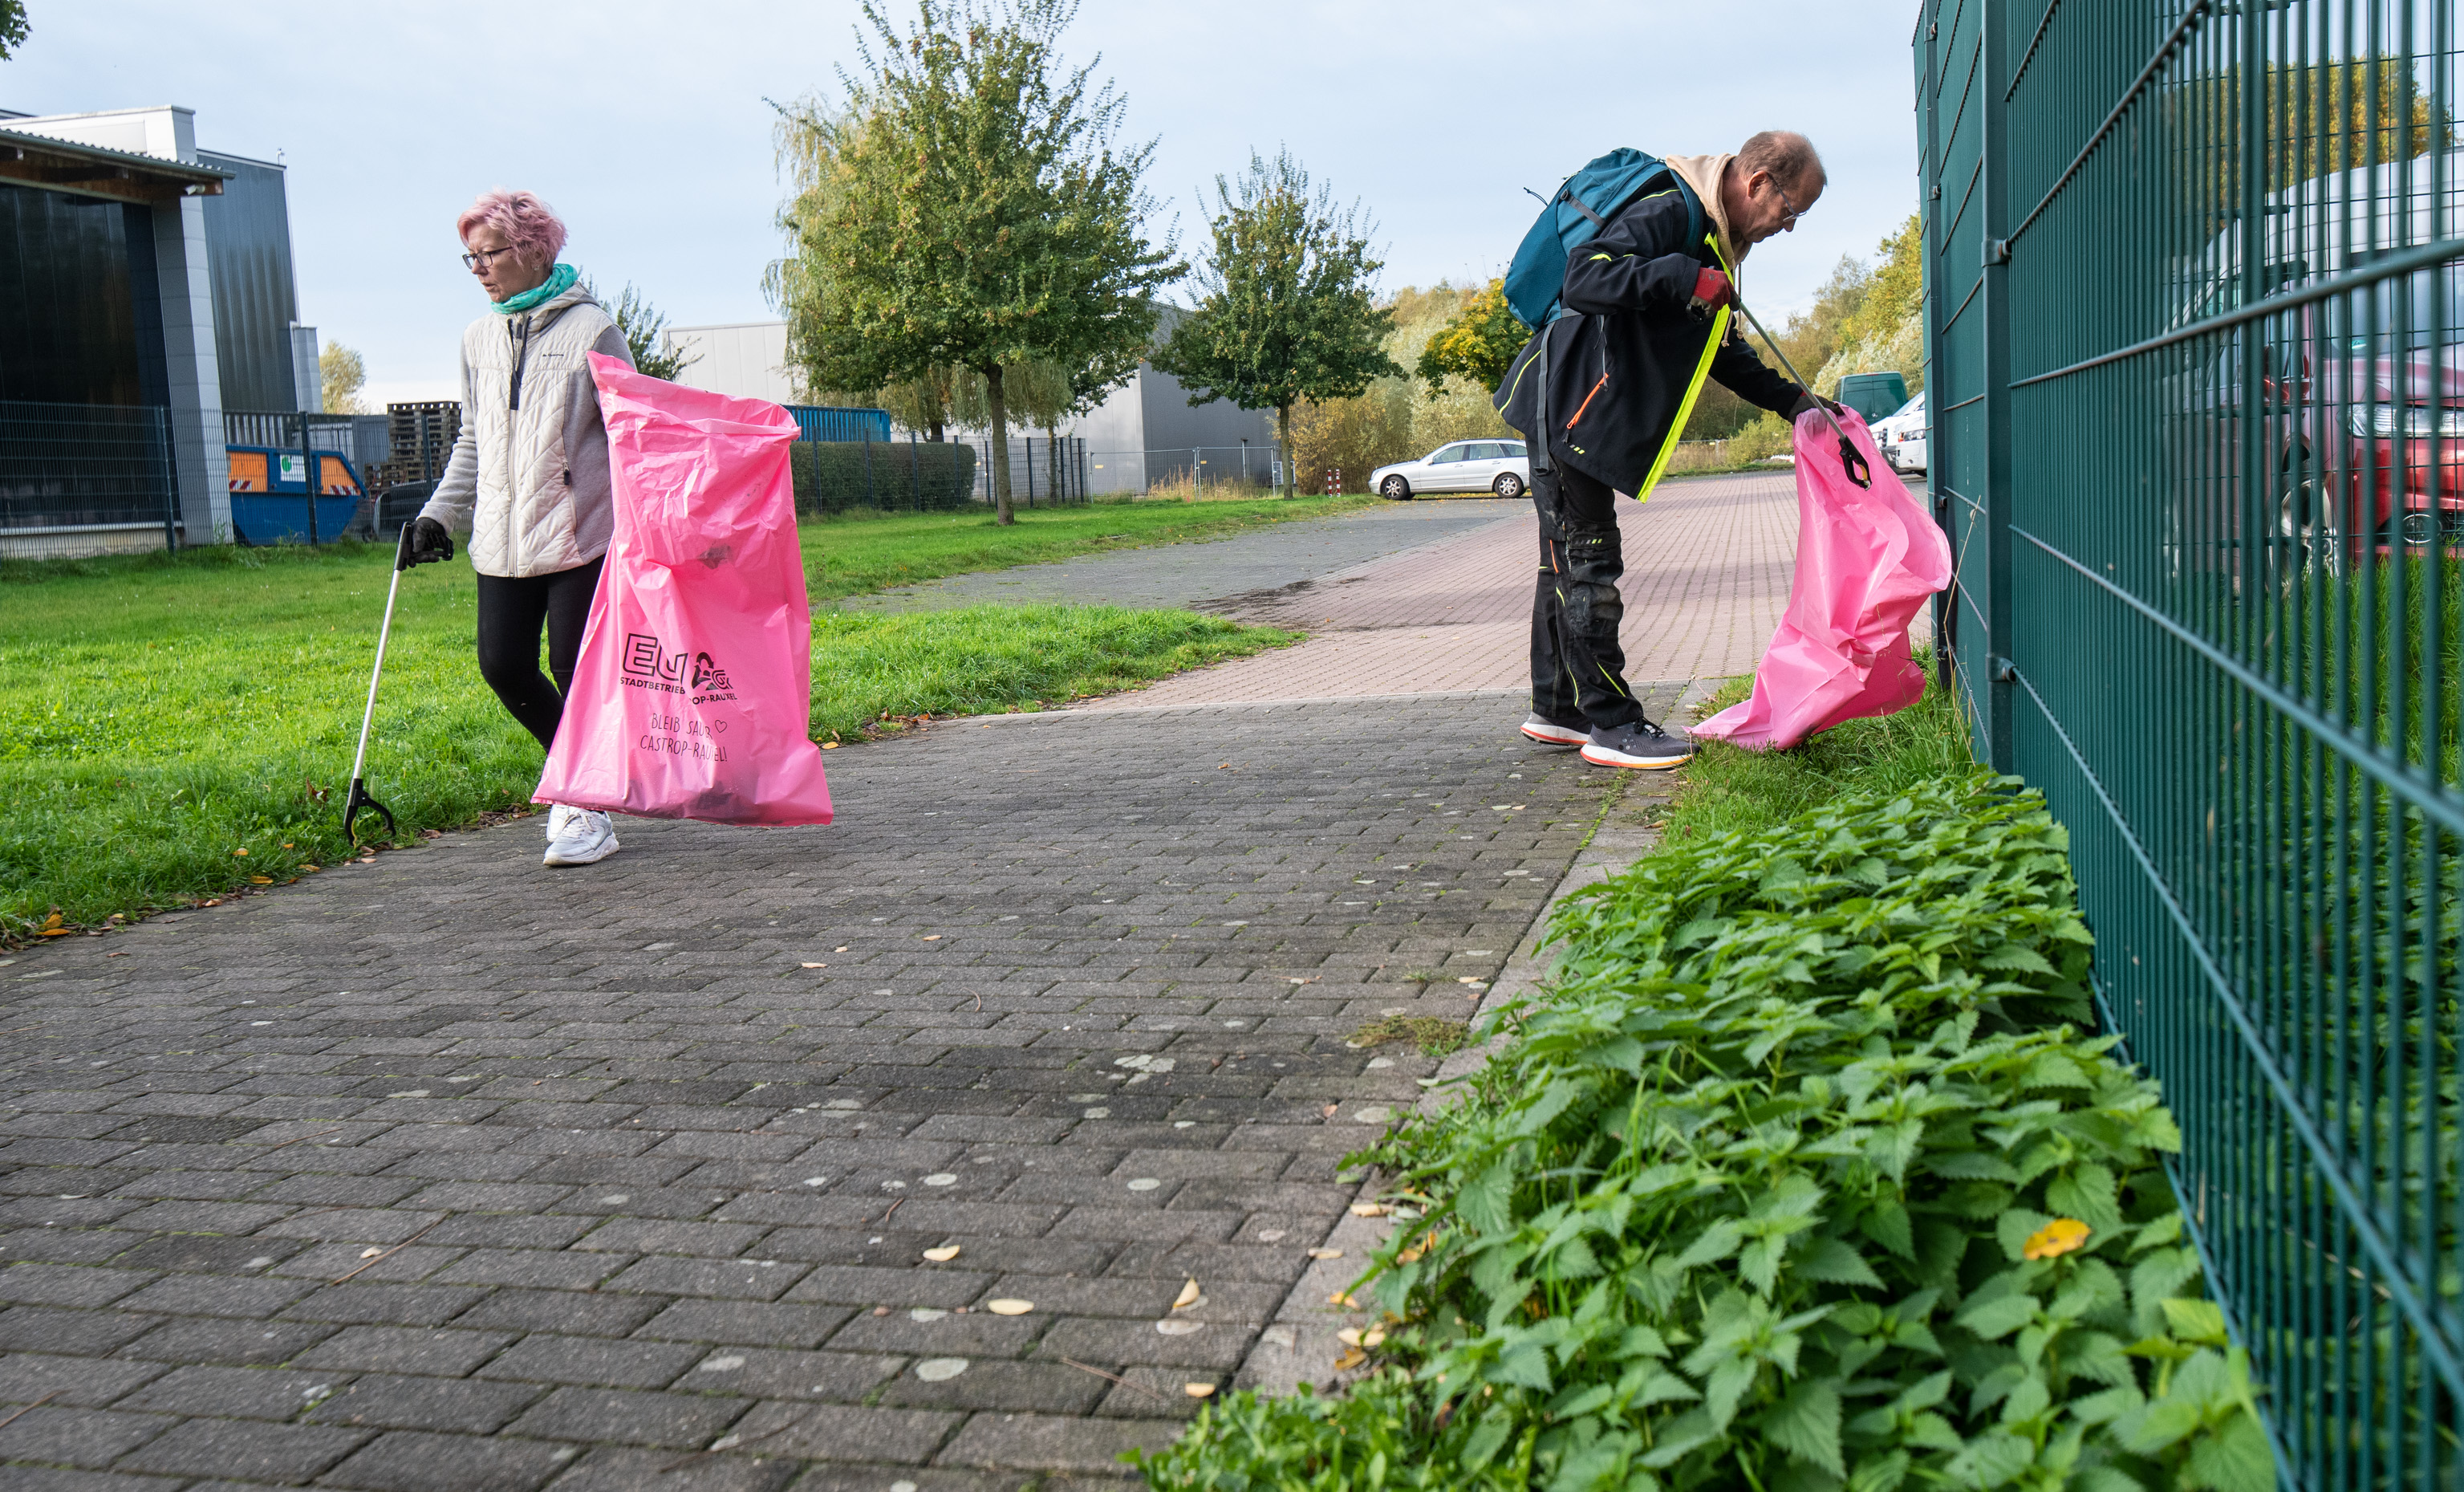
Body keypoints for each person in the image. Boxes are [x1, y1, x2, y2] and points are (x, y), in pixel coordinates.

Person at [1498, 131, 1841, 770]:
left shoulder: (1711, 240)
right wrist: (1683, 275)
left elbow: (1723, 352)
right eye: (1790, 211)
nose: (1787, 228)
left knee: (1563, 564)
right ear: (1758, 183)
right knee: (1588, 562)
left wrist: (1797, 402)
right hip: (1565, 406)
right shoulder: (1670, 206)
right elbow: (1584, 278)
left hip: (1570, 410)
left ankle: (1558, 710)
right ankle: (1612, 726)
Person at [404, 189, 635, 865]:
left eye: (489, 253)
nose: (478, 268)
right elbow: (471, 441)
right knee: (502, 664)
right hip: (502, 538)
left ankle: (585, 805)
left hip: (579, 532)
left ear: (532, 249)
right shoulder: (478, 338)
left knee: (572, 670)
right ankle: (577, 783)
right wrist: (436, 514)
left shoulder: (594, 329)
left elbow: (629, 437)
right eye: (468, 257)